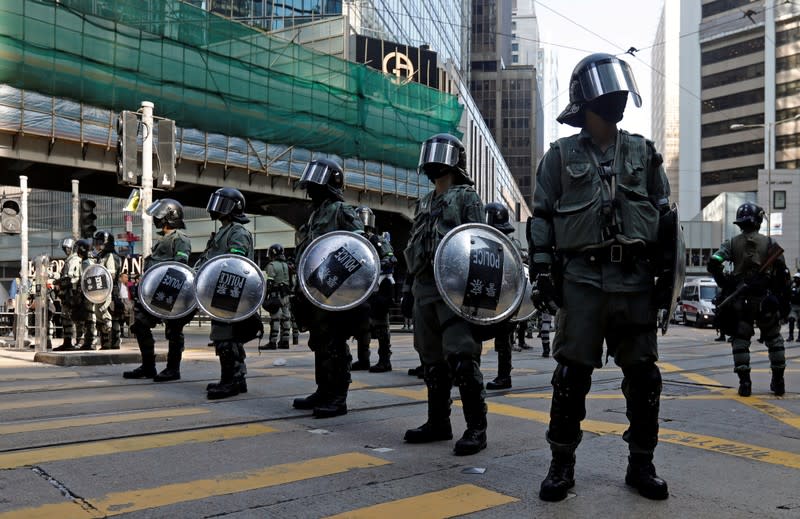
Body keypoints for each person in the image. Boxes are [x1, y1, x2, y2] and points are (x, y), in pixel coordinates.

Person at [529, 53, 673, 501]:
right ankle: (561, 464)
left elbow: (665, 216)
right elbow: (542, 217)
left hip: (635, 279)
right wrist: (542, 271)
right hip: (582, 280)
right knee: (572, 376)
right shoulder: (559, 155)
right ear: (586, 99)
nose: (617, 100)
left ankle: (641, 465)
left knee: (645, 378)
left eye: (619, 93)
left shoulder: (643, 152)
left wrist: (667, 277)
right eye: (607, 93)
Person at [401, 133, 488, 456]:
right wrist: (409, 288)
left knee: (462, 356)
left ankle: (476, 427)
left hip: (455, 289)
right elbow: (415, 246)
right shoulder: (424, 202)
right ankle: (439, 422)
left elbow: (480, 245)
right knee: (431, 360)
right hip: (424, 287)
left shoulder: (467, 197)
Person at [291, 158, 367, 418]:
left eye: (315, 184)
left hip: (333, 288)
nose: (310, 188)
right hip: (315, 288)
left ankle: (338, 396)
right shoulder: (316, 214)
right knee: (319, 341)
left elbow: (358, 247)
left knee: (334, 342)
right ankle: (323, 390)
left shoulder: (340, 211)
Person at [707, 202, 789, 397]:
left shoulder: (732, 243)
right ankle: (778, 382)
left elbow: (715, 261)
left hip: (741, 302)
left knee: (741, 340)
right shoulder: (769, 243)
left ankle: (745, 384)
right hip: (765, 300)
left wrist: (725, 282)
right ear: (758, 220)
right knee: (774, 339)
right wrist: (775, 293)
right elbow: (783, 274)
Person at [123, 198, 194, 382]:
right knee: (140, 324)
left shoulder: (180, 239)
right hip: (154, 293)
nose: (156, 218)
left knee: (174, 330)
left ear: (169, 217)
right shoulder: (163, 239)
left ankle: (173, 369)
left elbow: (180, 266)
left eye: (159, 215)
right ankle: (148, 367)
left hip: (171, 292)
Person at [196, 188, 254, 399]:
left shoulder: (237, 232)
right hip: (219, 291)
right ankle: (234, 379)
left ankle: (231, 381)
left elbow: (235, 263)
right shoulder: (224, 231)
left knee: (227, 338)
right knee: (225, 338)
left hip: (231, 292)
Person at [351, 207, 397, 373]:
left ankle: (385, 360)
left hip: (379, 285)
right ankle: (363, 359)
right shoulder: (354, 240)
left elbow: (391, 258)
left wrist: (377, 264)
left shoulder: (378, 239)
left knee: (381, 324)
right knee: (361, 325)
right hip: (363, 288)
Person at [483, 202, 521, 391]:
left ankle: (504, 376)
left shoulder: (506, 244)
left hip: (504, 298)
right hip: (494, 296)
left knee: (502, 340)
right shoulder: (505, 242)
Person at [92, 230, 122, 350]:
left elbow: (111, 276)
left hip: (110, 291)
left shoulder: (111, 256)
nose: (97, 245)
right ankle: (105, 343)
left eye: (100, 243)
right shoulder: (101, 256)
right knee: (101, 317)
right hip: (102, 291)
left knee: (109, 317)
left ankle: (112, 343)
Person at [260, 243, 292, 350]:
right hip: (286, 295)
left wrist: (265, 296)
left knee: (276, 319)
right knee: (286, 318)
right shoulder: (287, 265)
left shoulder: (271, 265)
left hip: (276, 295)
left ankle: (272, 342)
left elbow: (269, 282)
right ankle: (285, 342)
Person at [54, 238, 79, 351]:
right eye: (65, 248)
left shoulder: (74, 260)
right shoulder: (69, 260)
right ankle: (67, 341)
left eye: (68, 248)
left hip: (72, 293)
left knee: (74, 318)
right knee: (66, 318)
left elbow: (70, 278)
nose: (66, 250)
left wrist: (59, 281)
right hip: (67, 294)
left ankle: (76, 341)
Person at [787, 272, 800, 342]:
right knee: (791, 319)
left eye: (797, 278)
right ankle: (791, 336)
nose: (796, 280)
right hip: (793, 306)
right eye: (795, 278)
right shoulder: (792, 286)